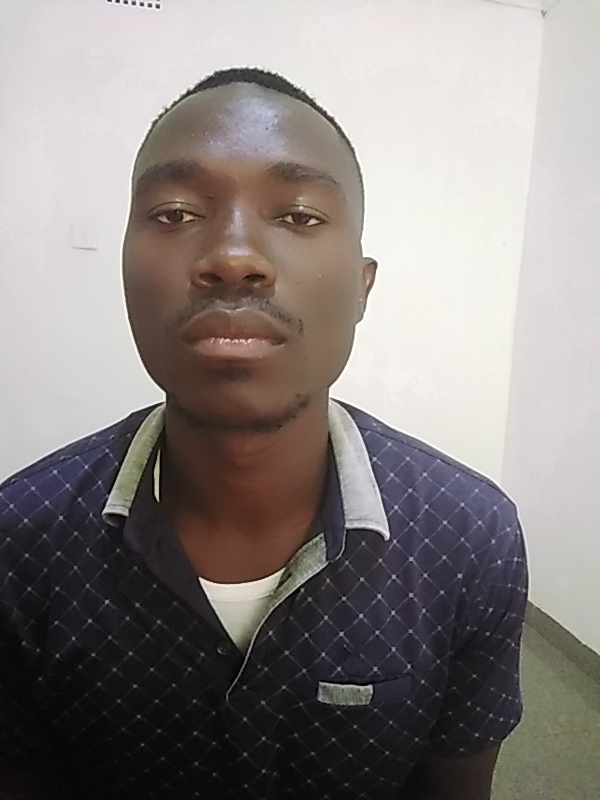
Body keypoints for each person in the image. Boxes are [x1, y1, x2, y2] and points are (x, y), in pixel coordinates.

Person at [0, 67, 527, 800]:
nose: (233, 257)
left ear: (363, 286)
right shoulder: (21, 540)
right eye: (176, 212)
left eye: (300, 216)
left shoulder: (469, 537)